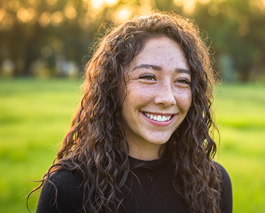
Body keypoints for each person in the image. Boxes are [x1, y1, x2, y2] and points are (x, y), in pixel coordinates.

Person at [29, 12, 232, 213]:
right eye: (148, 76)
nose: (167, 98)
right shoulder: (67, 188)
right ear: (113, 86)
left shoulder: (213, 182)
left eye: (181, 81)